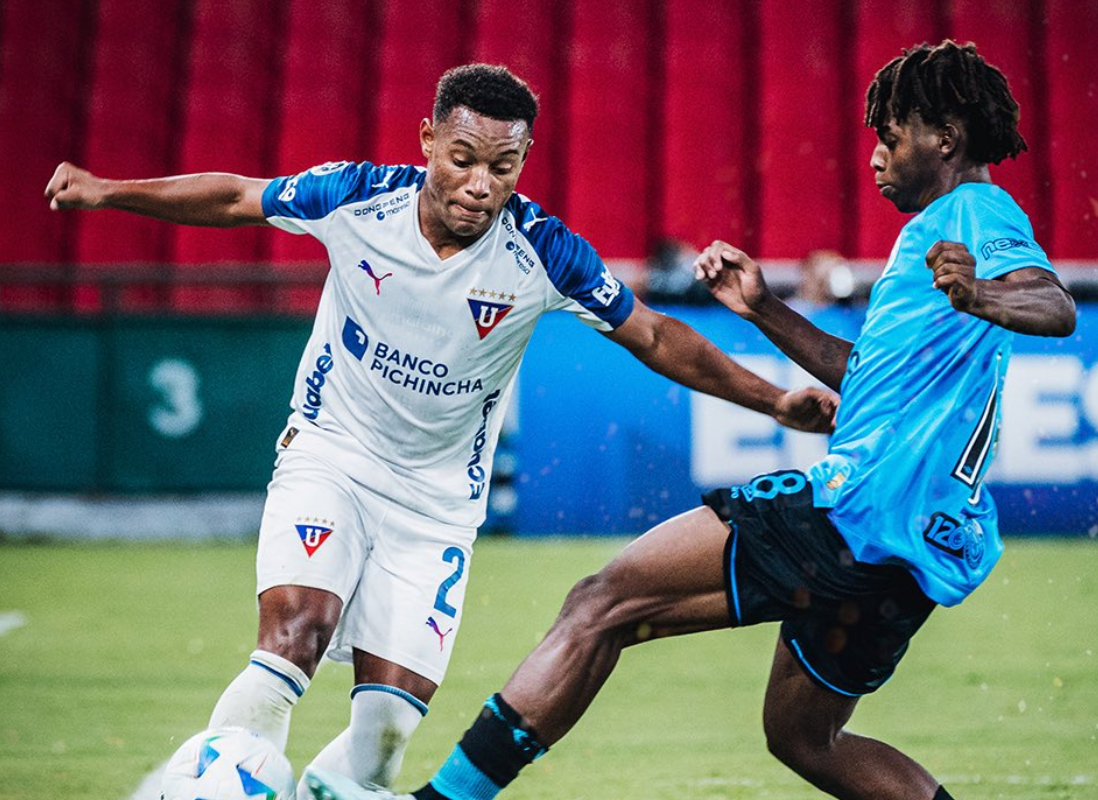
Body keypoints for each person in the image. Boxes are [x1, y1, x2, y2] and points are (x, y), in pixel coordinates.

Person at [305, 41, 1076, 800]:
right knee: (804, 737)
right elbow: (872, 376)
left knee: (601, 603)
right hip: (916, 548)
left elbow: (1054, 304)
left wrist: (985, 298)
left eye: (891, 136)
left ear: (944, 137)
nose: (877, 157)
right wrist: (764, 308)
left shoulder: (975, 211)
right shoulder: (935, 240)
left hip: (857, 511)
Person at [44, 65, 832, 797]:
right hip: (331, 457)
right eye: (462, 158)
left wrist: (773, 401)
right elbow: (235, 198)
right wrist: (108, 191)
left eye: (504, 167)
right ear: (427, 141)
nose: (480, 186)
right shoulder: (355, 198)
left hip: (436, 506)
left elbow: (656, 336)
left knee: (385, 732)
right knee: (295, 637)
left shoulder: (543, 251)